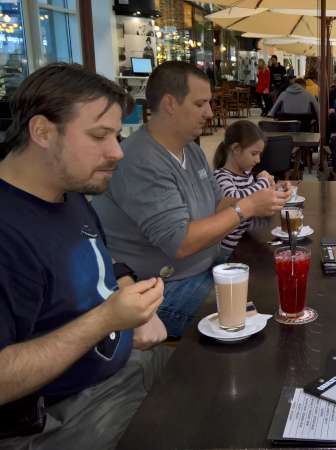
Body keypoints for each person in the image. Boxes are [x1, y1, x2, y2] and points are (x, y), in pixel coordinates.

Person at [0, 63, 169, 449]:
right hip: (57, 417)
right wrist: (107, 319)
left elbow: (99, 258)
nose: (117, 152)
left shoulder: (66, 192)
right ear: (42, 132)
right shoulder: (8, 231)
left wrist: (129, 294)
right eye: (99, 136)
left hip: (121, 367)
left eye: (117, 135)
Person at [92, 62, 290, 338]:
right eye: (200, 104)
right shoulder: (140, 160)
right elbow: (180, 242)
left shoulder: (192, 151)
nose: (210, 112)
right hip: (163, 288)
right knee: (265, 312)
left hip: (207, 267)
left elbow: (218, 203)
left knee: (281, 281)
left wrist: (259, 201)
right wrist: (247, 207)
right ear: (170, 104)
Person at [213, 121, 276, 257]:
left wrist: (276, 192)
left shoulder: (247, 175)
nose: (258, 160)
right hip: (227, 252)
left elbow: (251, 214)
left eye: (259, 154)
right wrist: (263, 182)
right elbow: (236, 199)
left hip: (245, 242)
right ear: (236, 149)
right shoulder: (221, 176)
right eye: (254, 154)